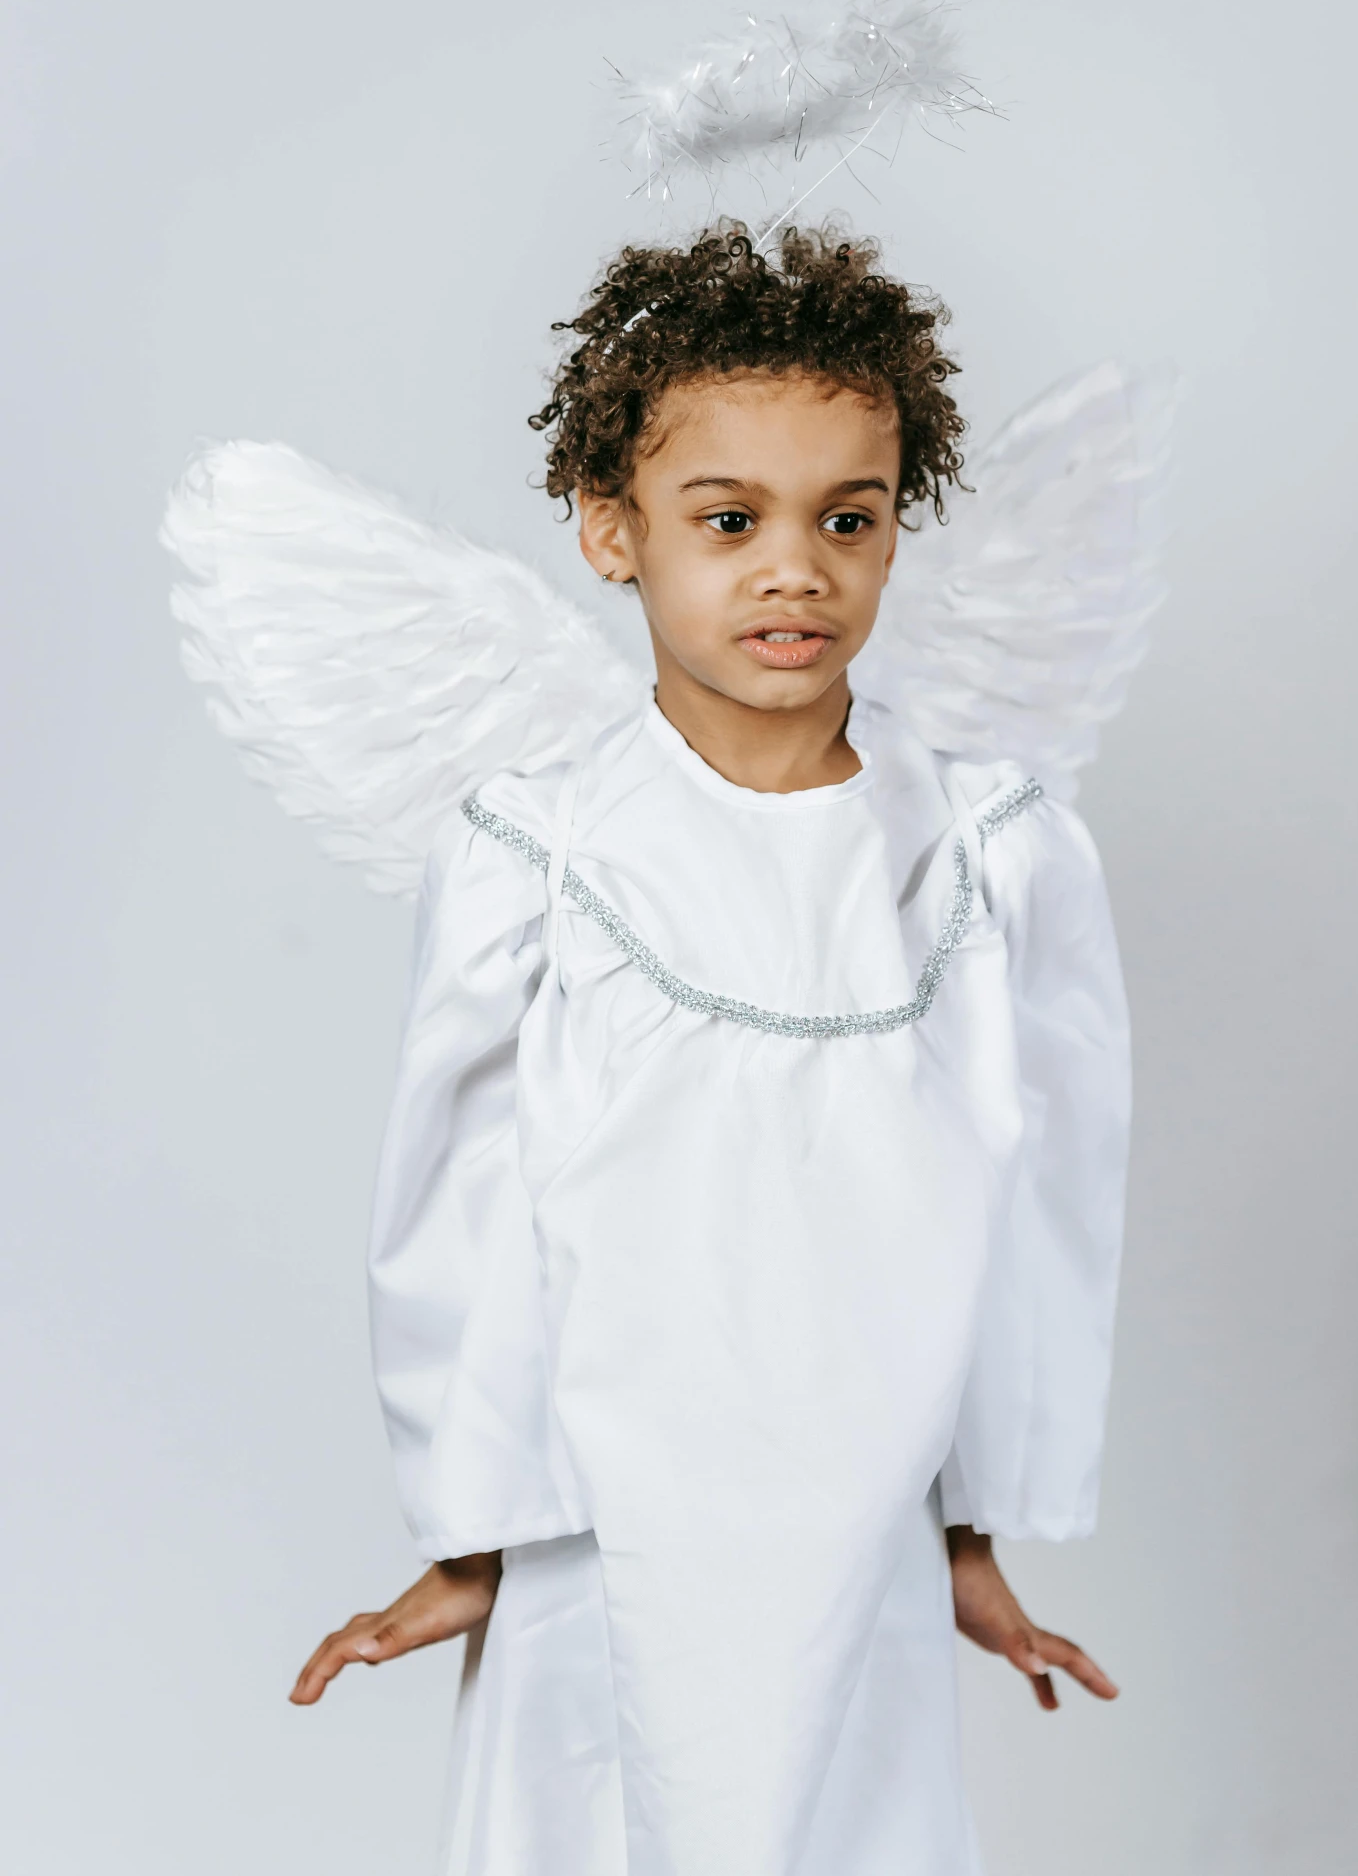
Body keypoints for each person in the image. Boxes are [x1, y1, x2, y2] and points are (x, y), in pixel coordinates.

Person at [170, 222, 1151, 1876]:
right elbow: (463, 1202)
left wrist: (976, 1520)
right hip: (599, 1527)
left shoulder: (984, 852)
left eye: (848, 518)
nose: (796, 569)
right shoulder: (540, 858)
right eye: (729, 521)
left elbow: (1034, 1191)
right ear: (610, 530)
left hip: (862, 1526)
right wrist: (473, 1533)